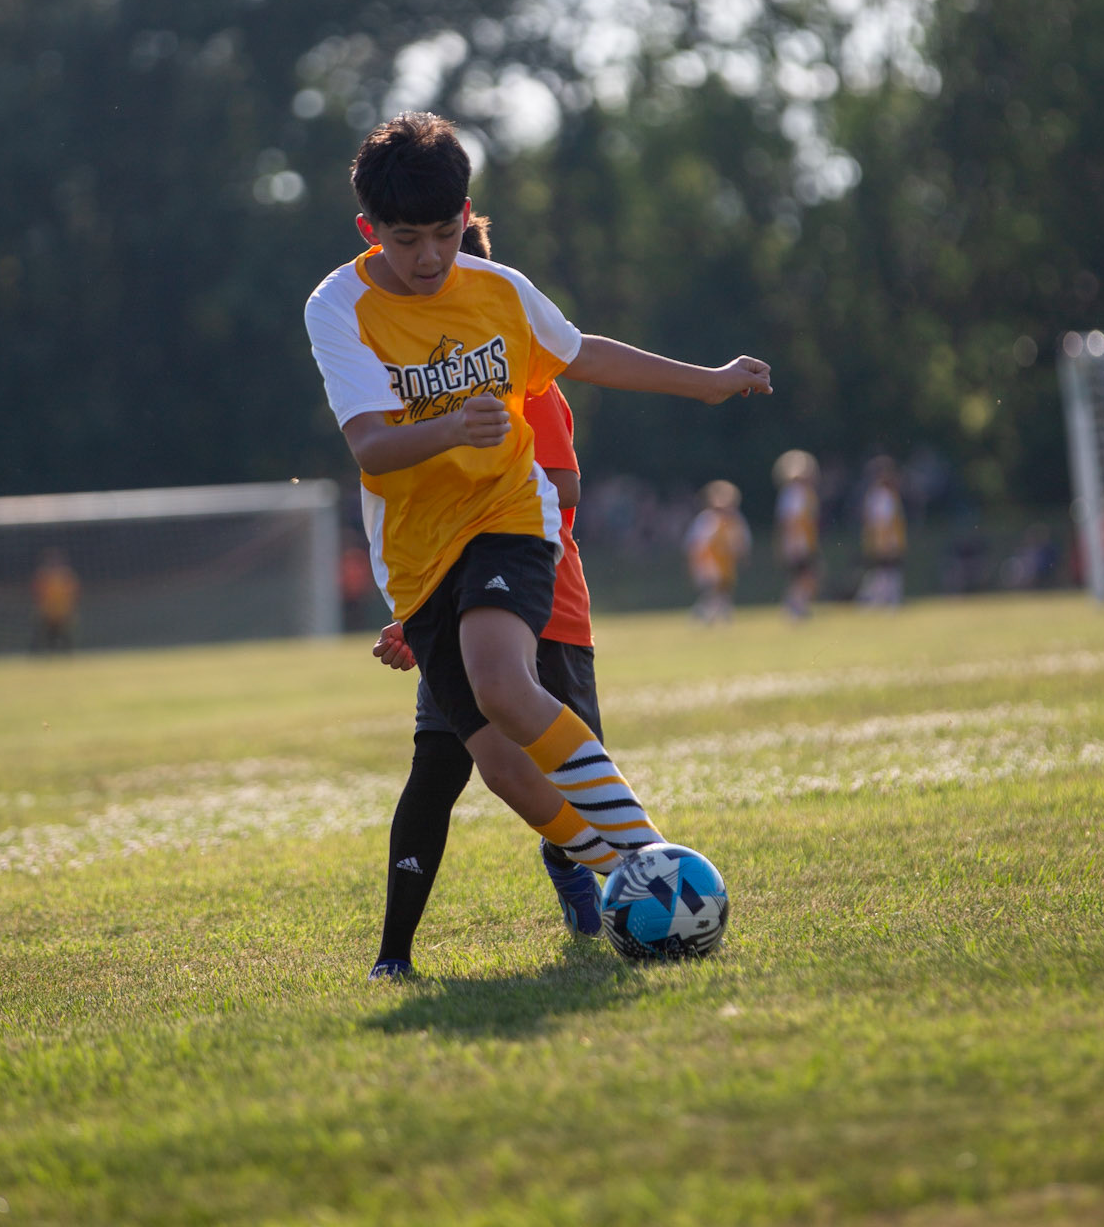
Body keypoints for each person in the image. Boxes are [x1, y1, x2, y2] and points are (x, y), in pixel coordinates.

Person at [304, 110, 771, 965]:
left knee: (502, 684)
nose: (430, 258)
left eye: (444, 235)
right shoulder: (340, 307)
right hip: (416, 558)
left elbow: (580, 351)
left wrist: (704, 381)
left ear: (465, 215)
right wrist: (453, 426)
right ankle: (619, 876)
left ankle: (653, 863)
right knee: (501, 767)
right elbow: (369, 445)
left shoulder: (500, 289)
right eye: (406, 240)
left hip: (506, 516)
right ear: (370, 230)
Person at [368, 214, 608, 978]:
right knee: (436, 768)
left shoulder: (522, 377)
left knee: (570, 772)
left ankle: (582, 865)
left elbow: (565, 484)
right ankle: (392, 957)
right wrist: (417, 611)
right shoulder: (410, 389)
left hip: (548, 602)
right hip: (449, 605)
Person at [684, 481, 751, 623]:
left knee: (724, 589)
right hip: (711, 563)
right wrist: (696, 566)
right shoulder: (708, 519)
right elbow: (696, 545)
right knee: (716, 589)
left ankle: (715, 614)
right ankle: (708, 614)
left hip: (726, 562)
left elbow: (741, 541)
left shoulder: (735, 520)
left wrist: (742, 556)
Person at [772, 450, 820, 620]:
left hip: (804, 541)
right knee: (804, 575)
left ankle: (796, 605)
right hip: (798, 543)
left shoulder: (803, 492)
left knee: (803, 576)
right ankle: (794, 607)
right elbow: (789, 521)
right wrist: (790, 544)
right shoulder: (794, 492)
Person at [859, 456, 907, 608]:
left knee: (885, 569)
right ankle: (879, 598)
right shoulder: (882, 494)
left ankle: (884, 598)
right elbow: (881, 521)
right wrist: (885, 542)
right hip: (885, 539)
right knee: (885, 568)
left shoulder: (880, 494)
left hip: (884, 538)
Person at [32, 551, 80, 651]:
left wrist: (71, 608)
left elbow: (73, 592)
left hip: (62, 610)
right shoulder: (43, 575)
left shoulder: (66, 575)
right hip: (48, 610)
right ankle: (39, 652)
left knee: (64, 633)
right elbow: (38, 592)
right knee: (44, 633)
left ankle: (67, 653)